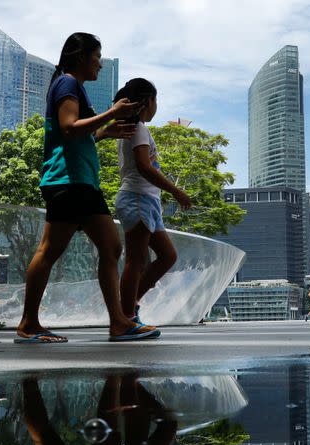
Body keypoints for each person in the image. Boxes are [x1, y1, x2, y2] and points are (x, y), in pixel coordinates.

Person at [15, 33, 159, 343]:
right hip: (71, 181)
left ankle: (114, 322)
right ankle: (113, 322)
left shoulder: (72, 86)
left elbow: (77, 135)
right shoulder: (68, 84)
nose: (100, 63)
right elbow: (68, 128)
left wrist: (106, 131)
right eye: (97, 57)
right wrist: (112, 113)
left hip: (75, 180)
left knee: (101, 247)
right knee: (91, 248)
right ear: (81, 57)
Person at [113, 79, 192, 324]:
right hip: (137, 198)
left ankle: (129, 306)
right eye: (155, 100)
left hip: (147, 201)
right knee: (136, 261)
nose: (157, 105)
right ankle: (125, 317)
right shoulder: (138, 129)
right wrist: (176, 191)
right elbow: (145, 168)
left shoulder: (134, 128)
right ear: (147, 101)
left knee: (167, 256)